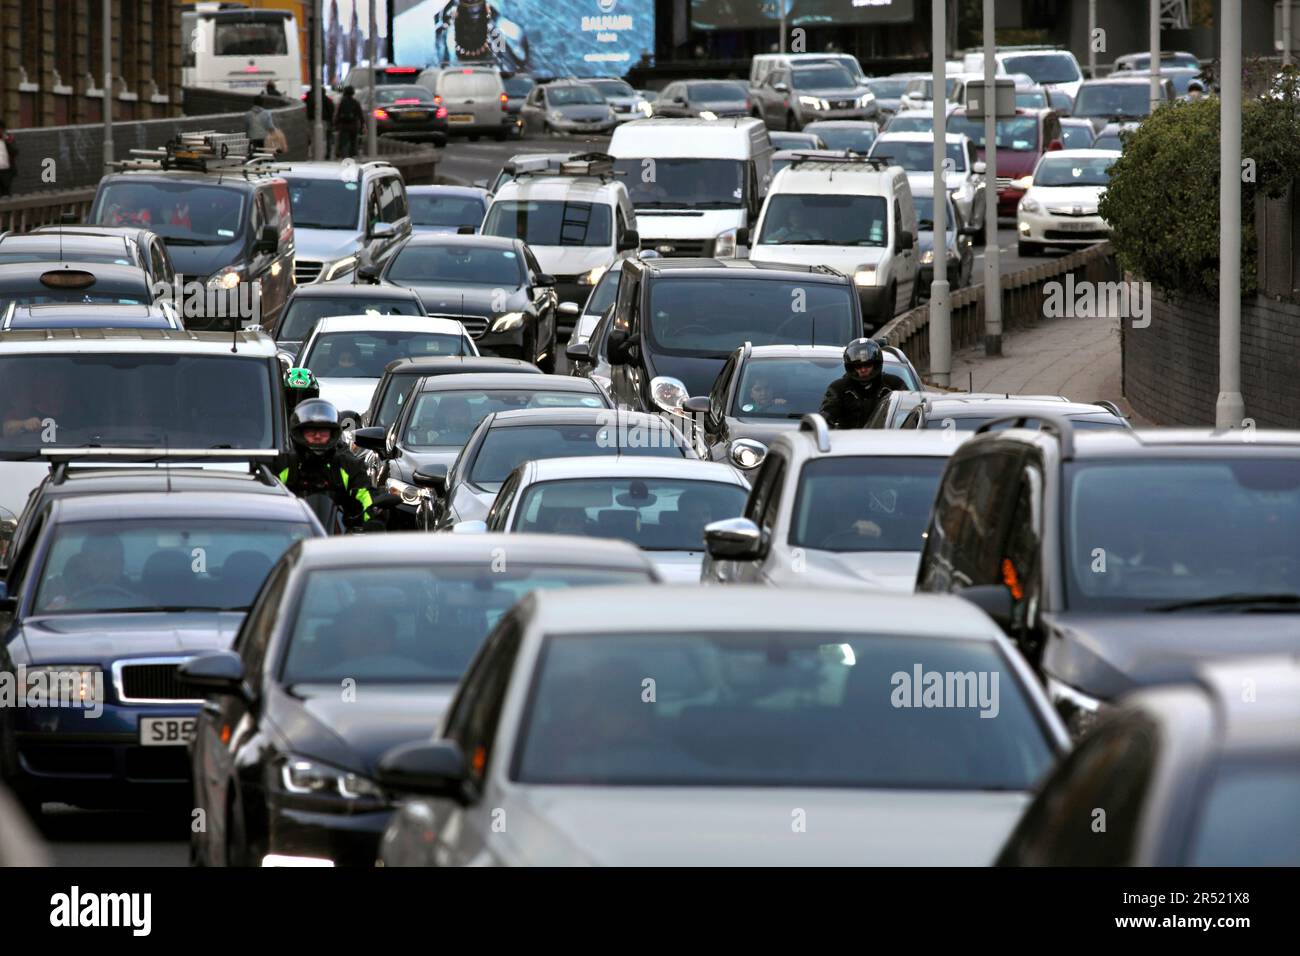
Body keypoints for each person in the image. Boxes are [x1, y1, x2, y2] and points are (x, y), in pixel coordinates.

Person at [277, 398, 379, 532]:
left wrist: (373, 520)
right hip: (287, 534)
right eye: (311, 431)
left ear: (333, 433)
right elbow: (266, 499)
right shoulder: (284, 464)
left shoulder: (348, 465)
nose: (317, 436)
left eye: (323, 431)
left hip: (338, 539)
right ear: (299, 432)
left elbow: (365, 495)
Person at [820, 338, 890, 429]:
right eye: (858, 366)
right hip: (848, 441)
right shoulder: (839, 389)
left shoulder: (893, 384)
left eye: (868, 365)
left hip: (888, 440)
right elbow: (826, 416)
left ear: (876, 364)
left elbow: (910, 413)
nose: (863, 370)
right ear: (851, 367)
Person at [305, 87, 336, 159]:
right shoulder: (327, 100)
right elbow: (331, 110)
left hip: (311, 121)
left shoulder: (310, 99)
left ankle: (314, 154)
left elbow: (307, 110)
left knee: (313, 138)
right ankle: (322, 155)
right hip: (324, 121)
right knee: (323, 139)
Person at [335, 85, 363, 159]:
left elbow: (338, 114)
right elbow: (360, 114)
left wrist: (336, 124)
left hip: (344, 125)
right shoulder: (356, 102)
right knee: (353, 140)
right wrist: (363, 124)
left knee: (343, 141)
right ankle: (352, 155)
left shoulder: (342, 102)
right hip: (353, 125)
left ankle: (343, 155)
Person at [0, 117, 17, 197]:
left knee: (5, 194)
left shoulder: (9, 139)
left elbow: (15, 152)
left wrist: (6, 142)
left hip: (6, 172)